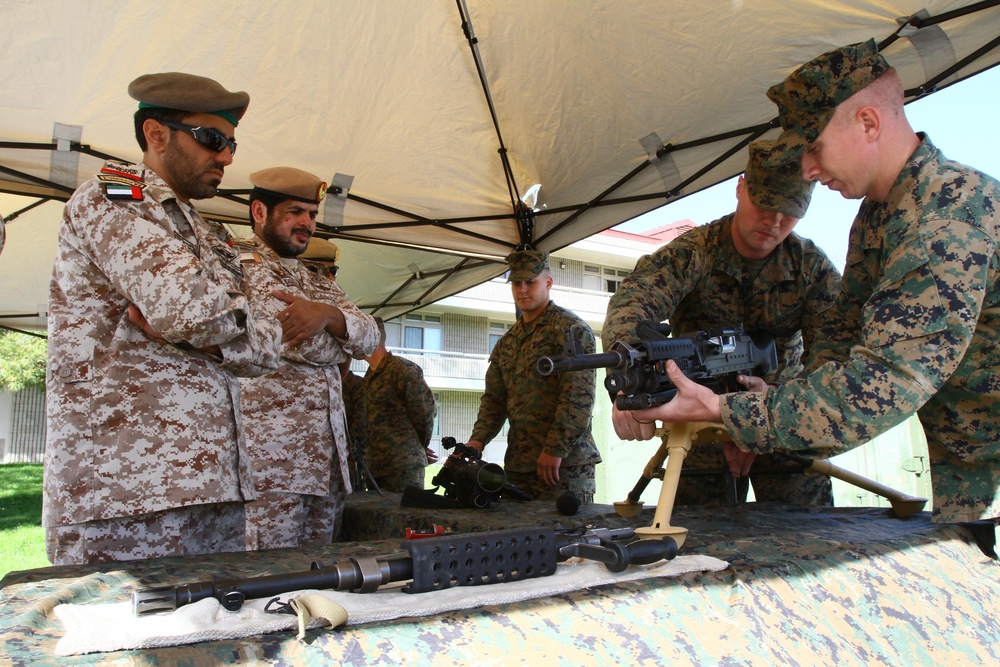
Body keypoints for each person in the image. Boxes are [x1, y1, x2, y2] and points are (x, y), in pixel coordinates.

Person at [620, 40, 1000, 531]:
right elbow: (839, 344)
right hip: (969, 460)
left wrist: (732, 411)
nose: (808, 171)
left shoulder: (945, 218)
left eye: (814, 147)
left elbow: (880, 384)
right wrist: (756, 400)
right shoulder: (879, 218)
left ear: (868, 123)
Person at [44, 72, 283, 565]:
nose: (227, 157)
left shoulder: (210, 231)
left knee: (218, 633)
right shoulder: (112, 198)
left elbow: (270, 348)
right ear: (156, 135)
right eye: (212, 140)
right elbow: (192, 310)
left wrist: (214, 335)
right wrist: (221, 330)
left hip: (215, 482)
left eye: (232, 143)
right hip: (123, 489)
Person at [604, 139, 840, 506]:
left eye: (790, 211)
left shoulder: (811, 269)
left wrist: (768, 412)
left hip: (782, 419)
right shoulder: (694, 253)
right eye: (764, 204)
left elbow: (834, 352)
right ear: (741, 187)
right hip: (699, 424)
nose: (774, 221)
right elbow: (633, 303)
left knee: (806, 535)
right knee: (694, 542)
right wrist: (627, 387)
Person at [235, 167, 379, 549]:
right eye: (295, 212)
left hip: (326, 463)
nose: (306, 223)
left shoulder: (316, 279)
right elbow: (296, 343)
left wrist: (328, 316)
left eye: (312, 215)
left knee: (321, 580)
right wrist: (340, 342)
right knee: (270, 583)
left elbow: (371, 337)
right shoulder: (242, 268)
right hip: (273, 466)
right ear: (260, 212)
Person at [466, 249, 602, 503]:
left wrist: (555, 449)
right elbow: (494, 401)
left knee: (568, 539)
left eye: (530, 281)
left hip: (564, 467)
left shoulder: (570, 330)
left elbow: (578, 398)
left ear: (548, 283)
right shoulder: (507, 342)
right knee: (521, 540)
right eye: (516, 283)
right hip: (519, 467)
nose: (523, 289)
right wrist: (477, 441)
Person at [363, 317, 438, 492]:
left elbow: (425, 413)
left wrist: (416, 446)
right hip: (376, 468)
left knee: (405, 519)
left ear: (370, 337)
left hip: (402, 468)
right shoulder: (370, 375)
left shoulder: (401, 369)